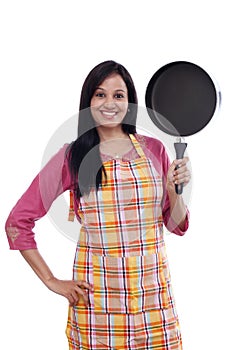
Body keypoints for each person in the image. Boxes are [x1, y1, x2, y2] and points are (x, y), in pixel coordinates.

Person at [5, 60, 190, 350]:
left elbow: (176, 226)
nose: (109, 103)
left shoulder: (154, 150)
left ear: (129, 103)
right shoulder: (72, 157)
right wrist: (52, 280)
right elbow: (17, 222)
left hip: (153, 302)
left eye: (119, 95)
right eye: (100, 94)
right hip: (97, 306)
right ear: (88, 101)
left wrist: (174, 192)